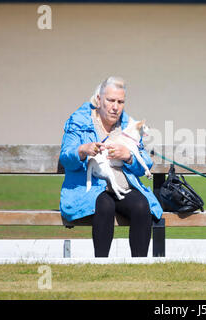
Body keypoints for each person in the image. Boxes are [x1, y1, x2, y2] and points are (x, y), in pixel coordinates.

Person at [59, 76, 163, 257]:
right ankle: (101, 263)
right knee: (104, 204)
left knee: (141, 206)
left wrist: (128, 156)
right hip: (89, 188)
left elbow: (145, 163)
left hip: (122, 186)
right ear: (99, 100)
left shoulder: (128, 125)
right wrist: (82, 150)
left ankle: (139, 265)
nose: (116, 107)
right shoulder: (79, 122)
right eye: (111, 100)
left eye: (120, 102)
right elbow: (66, 158)